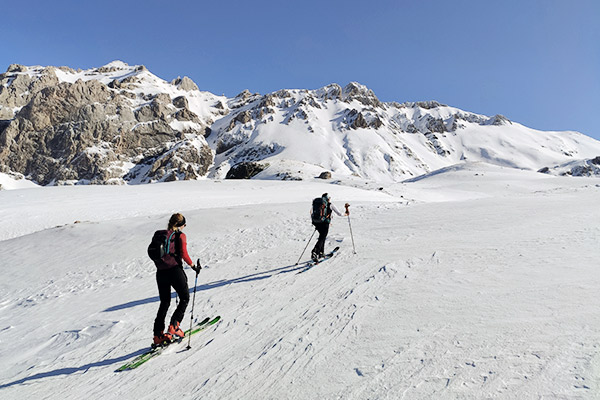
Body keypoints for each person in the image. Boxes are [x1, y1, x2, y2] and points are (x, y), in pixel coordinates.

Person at [152, 213, 198, 345]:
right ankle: (174, 326)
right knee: (184, 297)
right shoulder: (180, 236)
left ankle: (157, 335)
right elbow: (183, 253)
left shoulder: (160, 235)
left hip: (160, 272)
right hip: (174, 271)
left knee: (164, 302)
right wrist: (193, 266)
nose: (185, 226)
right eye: (184, 224)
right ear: (180, 225)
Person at [311, 193, 348, 262]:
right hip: (325, 223)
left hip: (317, 222)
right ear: (328, 199)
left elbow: (313, 212)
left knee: (322, 236)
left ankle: (321, 252)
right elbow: (339, 214)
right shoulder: (330, 204)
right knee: (322, 237)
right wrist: (345, 214)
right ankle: (315, 252)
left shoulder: (318, 204)